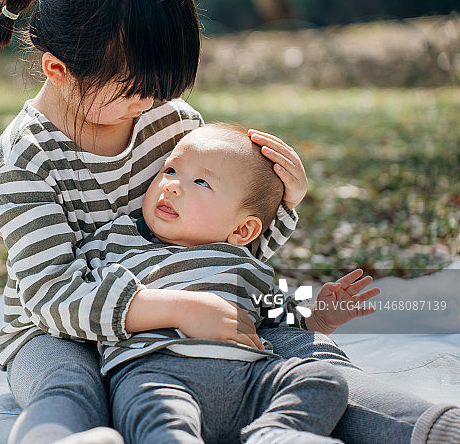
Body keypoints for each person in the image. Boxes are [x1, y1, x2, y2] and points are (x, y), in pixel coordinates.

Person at [0, 0, 460, 444]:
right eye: (134, 92)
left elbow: (219, 248)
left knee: (306, 358)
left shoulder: (171, 122)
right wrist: (181, 309)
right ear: (59, 69)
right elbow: (50, 294)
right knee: (68, 384)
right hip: (60, 325)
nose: (151, 104)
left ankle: (426, 427)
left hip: (186, 299)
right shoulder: (26, 157)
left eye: (162, 89)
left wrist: (282, 205)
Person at [80, 122, 366, 443]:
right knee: (157, 419)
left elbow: (270, 311)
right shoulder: (116, 240)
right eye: (171, 170)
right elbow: (79, 293)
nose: (172, 186)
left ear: (242, 231)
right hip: (156, 371)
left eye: (201, 182)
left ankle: (274, 434)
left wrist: (319, 318)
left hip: (246, 378)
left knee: (324, 378)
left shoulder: (240, 263)